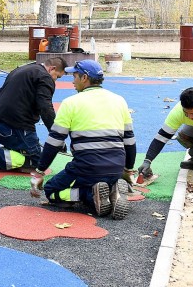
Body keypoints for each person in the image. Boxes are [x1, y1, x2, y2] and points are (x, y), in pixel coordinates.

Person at [33, 59, 136, 218]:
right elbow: (129, 141)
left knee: (51, 190)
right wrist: (128, 169)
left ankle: (89, 195)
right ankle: (112, 191)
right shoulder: (119, 100)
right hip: (116, 165)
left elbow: (54, 142)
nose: (72, 81)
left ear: (85, 78)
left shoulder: (70, 103)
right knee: (100, 180)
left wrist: (40, 172)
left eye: (75, 76)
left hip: (87, 167)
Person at [0, 56, 67, 172]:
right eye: (57, 76)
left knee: (25, 151)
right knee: (37, 161)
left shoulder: (20, 70)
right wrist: (56, 136)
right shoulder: (45, 78)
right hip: (17, 127)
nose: (55, 80)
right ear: (52, 68)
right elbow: (46, 108)